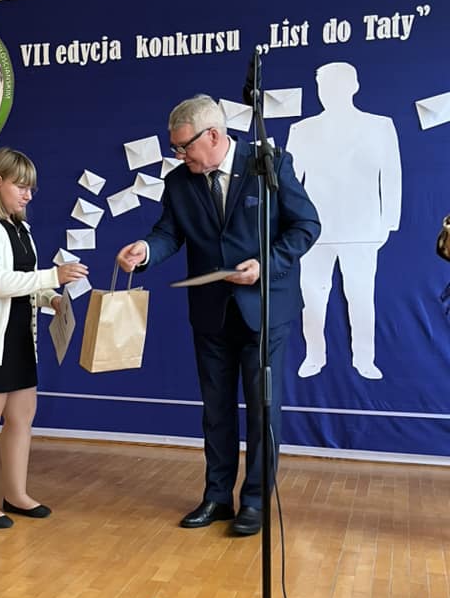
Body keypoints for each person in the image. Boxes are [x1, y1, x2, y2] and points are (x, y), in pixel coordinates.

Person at [117, 94, 320, 536]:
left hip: (264, 309)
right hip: (211, 313)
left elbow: (306, 225)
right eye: (174, 147)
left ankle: (256, 501)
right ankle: (217, 497)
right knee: (216, 411)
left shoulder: (268, 164)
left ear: (213, 135)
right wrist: (145, 250)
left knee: (262, 412)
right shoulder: (179, 182)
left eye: (183, 146)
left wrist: (266, 263)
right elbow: (168, 233)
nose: (179, 154)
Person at [0, 147, 88, 528]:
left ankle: (16, 494)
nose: (28, 195)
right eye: (21, 186)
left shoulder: (20, 228)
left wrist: (50, 297)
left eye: (31, 189)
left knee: (22, 417)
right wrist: (53, 276)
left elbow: (23, 282)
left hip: (19, 336)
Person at [286, 62, 402, 380]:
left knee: (361, 296)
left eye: (336, 86)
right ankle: (314, 355)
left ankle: (365, 359)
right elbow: (290, 182)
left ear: (354, 87)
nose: (328, 93)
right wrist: (293, 224)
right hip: (314, 229)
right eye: (324, 87)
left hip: (363, 229)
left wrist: (388, 223)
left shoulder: (379, 126)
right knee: (312, 297)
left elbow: (391, 176)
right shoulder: (302, 130)